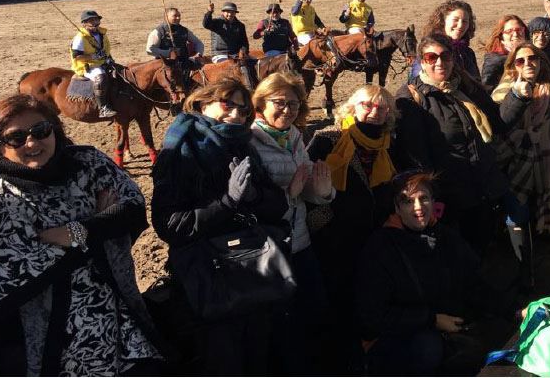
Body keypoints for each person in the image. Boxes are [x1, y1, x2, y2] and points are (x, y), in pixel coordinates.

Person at [0, 94, 162, 375]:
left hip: (113, 315)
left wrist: (80, 230)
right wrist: (100, 225)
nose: (32, 142)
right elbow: (11, 265)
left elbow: (132, 209)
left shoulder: (87, 162)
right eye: (16, 138)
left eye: (41, 131)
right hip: (40, 332)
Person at [151, 78, 290, 375]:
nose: (236, 115)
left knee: (259, 353)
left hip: (253, 268)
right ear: (203, 104)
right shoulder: (178, 154)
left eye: (243, 109)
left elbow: (278, 207)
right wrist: (227, 203)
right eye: (228, 105)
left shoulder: (244, 146)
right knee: (223, 357)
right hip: (208, 276)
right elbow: (170, 226)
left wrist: (254, 196)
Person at [356, 172, 510, 376]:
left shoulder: (442, 237)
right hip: (393, 341)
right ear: (397, 208)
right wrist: (432, 319)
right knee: (428, 349)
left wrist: (514, 310)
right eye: (408, 201)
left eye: (424, 198)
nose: (418, 207)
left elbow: (472, 282)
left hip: (437, 329)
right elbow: (373, 317)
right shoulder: (382, 248)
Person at [395, 34, 529, 253]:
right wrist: (433, 197)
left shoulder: (467, 87)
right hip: (449, 201)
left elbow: (497, 123)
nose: (439, 62)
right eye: (431, 57)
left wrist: (517, 97)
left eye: (445, 56)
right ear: (421, 61)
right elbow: (416, 156)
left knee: (481, 249)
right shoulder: (412, 98)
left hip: (483, 191)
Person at [304, 84, 399, 372]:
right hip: (335, 245)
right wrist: (326, 226)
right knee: (338, 310)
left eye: (381, 108)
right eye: (366, 105)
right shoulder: (327, 140)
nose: (373, 112)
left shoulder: (388, 146)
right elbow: (307, 189)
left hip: (373, 244)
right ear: (352, 107)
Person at [249, 71, 332, 371]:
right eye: (279, 102)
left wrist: (323, 193)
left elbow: (306, 181)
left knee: (315, 308)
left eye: (294, 104)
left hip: (300, 240)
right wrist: (289, 194)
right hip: (268, 248)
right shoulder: (249, 143)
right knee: (284, 324)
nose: (288, 109)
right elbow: (248, 203)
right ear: (260, 103)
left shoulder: (295, 137)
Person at [491, 42, 550, 286]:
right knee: (519, 219)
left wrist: (540, 142)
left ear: (541, 61)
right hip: (518, 167)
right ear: (512, 66)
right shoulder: (503, 92)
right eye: (520, 61)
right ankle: (525, 277)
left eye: (532, 58)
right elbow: (499, 131)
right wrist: (526, 139)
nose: (528, 64)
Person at [417, 0, 481, 81]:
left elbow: (477, 82)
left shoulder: (468, 52)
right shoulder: (429, 50)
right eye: (455, 20)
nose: (460, 25)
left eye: (465, 21)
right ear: (443, 21)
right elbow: (415, 82)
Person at [70, 9, 117, 117]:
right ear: (84, 23)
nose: (95, 23)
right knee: (101, 77)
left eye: (96, 20)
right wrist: (93, 56)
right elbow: (77, 57)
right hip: (87, 65)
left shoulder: (102, 34)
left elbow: (106, 50)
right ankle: (103, 108)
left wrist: (109, 59)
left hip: (103, 62)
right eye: (91, 20)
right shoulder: (80, 38)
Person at [480, 14, 527, 90]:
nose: (515, 34)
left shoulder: (531, 53)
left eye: (519, 30)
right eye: (509, 31)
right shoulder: (494, 60)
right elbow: (487, 89)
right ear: (501, 36)